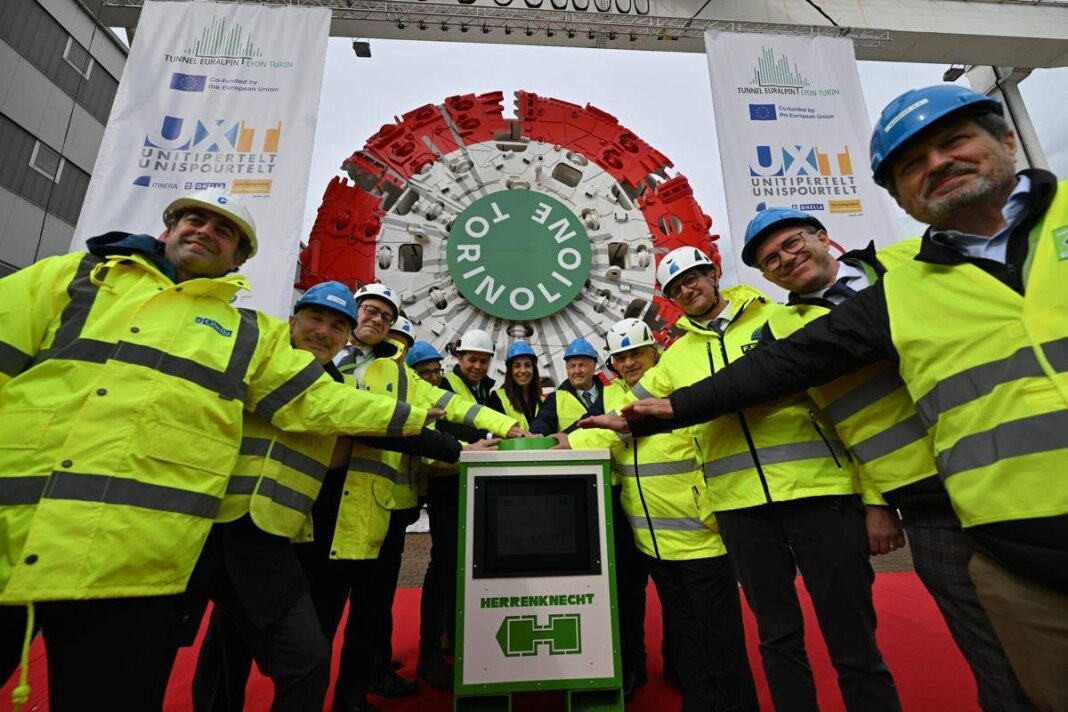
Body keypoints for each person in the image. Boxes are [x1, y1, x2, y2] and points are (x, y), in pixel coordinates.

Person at [617, 85, 1068, 711]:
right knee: (1003, 672)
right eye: (912, 164)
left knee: (857, 642)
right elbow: (767, 373)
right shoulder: (805, 320)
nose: (937, 164)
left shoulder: (895, 274)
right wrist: (647, 414)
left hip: (832, 500)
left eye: (954, 142)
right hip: (922, 506)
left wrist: (870, 502)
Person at [0, 191, 433, 711]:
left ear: (239, 259)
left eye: (223, 230)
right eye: (194, 219)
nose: (205, 231)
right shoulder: (72, 278)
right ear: (168, 228)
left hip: (132, 558)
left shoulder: (245, 335)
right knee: (228, 653)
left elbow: (323, 403)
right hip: (27, 532)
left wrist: (427, 419)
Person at [741, 206, 1031, 710]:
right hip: (928, 505)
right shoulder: (780, 332)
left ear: (823, 237)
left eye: (791, 244)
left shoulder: (911, 262)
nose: (785, 259)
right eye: (771, 260)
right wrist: (878, 501)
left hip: (1012, 469)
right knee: (987, 648)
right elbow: (841, 429)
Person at [596, 244, 901, 711]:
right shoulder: (675, 360)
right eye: (676, 288)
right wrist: (560, 442)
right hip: (741, 510)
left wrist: (877, 498)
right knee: (777, 639)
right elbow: (625, 414)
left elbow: (855, 410)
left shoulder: (779, 320)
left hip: (820, 496)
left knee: (853, 638)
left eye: (693, 278)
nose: (687, 290)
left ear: (714, 274)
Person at [301, 288, 519, 712]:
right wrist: (457, 449)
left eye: (386, 316)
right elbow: (364, 422)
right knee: (319, 619)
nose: (377, 320)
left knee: (369, 616)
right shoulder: (324, 362)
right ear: (353, 314)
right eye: (370, 311)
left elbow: (453, 405)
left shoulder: (401, 375)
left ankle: (352, 700)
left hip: (383, 510)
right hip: (327, 506)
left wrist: (508, 427)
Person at [563, 318, 759, 712]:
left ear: (655, 352)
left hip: (701, 538)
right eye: (621, 357)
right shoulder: (615, 398)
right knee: (686, 636)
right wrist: (556, 442)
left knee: (720, 637)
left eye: (636, 353)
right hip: (653, 544)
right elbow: (601, 433)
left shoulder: (679, 390)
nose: (629, 363)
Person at [190, 281, 361, 712]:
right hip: (209, 524)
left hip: (275, 533)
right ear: (292, 320)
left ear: (346, 338)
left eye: (336, 326)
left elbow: (336, 458)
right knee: (213, 645)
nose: (323, 331)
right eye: (315, 318)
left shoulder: (340, 386)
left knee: (299, 659)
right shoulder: (255, 360)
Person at [529, 338, 604, 435]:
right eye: (572, 366)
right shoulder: (554, 399)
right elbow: (543, 421)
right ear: (566, 368)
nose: (577, 371)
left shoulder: (610, 392)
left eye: (582, 365)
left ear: (594, 366)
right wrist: (537, 434)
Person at [487, 341, 544, 431]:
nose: (523, 370)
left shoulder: (543, 401)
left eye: (527, 365)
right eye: (517, 366)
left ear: (534, 369)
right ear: (510, 371)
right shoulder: (497, 398)